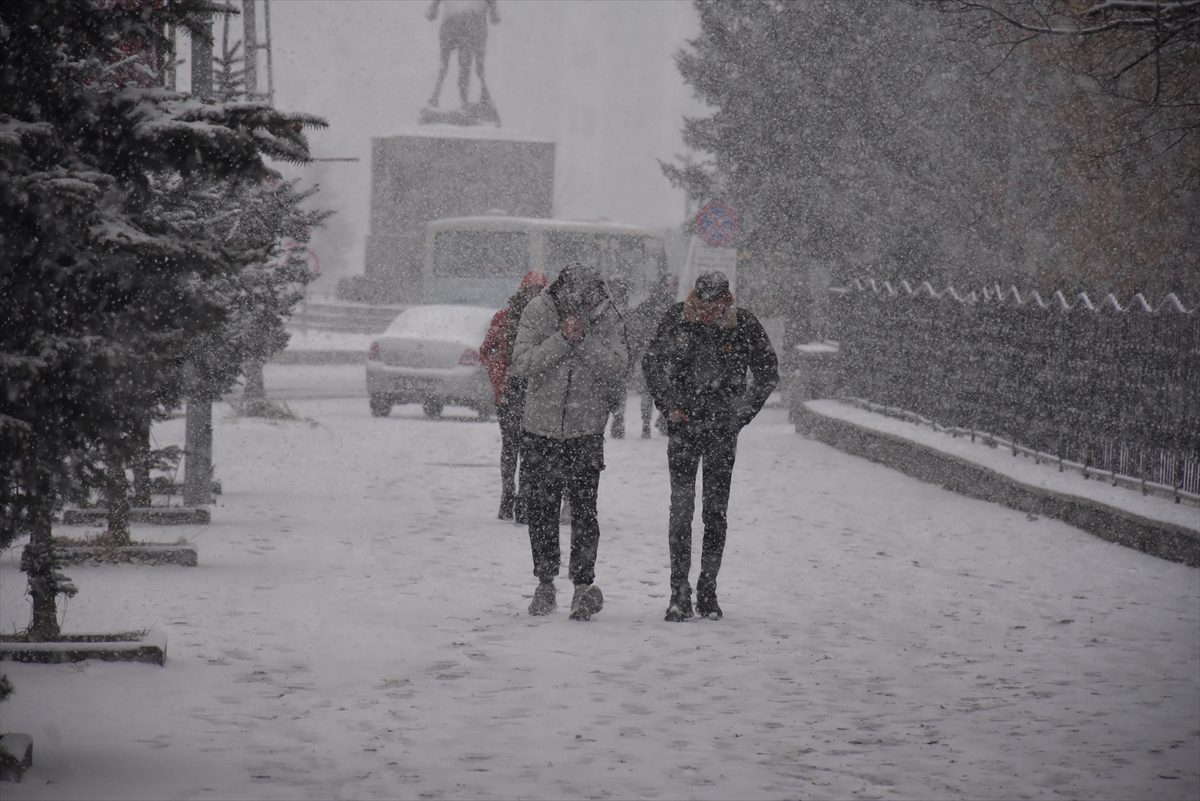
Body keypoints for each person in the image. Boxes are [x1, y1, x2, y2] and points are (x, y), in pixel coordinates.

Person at [642, 271, 779, 622]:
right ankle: (678, 592)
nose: (709, 311)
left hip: (721, 431)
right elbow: (652, 362)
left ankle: (708, 588)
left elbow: (767, 371)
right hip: (684, 427)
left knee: (715, 513)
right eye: (703, 303)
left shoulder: (742, 324)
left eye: (716, 304)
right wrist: (668, 404)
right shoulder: (676, 319)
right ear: (694, 297)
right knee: (681, 511)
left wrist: (740, 415)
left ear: (727, 300)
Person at [510, 262, 629, 620]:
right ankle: (545, 583)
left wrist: (584, 341)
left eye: (584, 303)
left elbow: (617, 365)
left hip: (585, 429)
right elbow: (522, 363)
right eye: (570, 303)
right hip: (540, 429)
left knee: (584, 511)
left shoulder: (607, 315)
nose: (577, 309)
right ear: (559, 295)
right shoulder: (538, 310)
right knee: (541, 510)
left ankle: (582, 585)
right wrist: (562, 339)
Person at [479, 271, 547, 521]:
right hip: (511, 391)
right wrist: (501, 375)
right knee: (511, 447)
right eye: (531, 290)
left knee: (531, 449)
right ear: (522, 292)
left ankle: (524, 500)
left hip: (536, 391)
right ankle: (508, 496)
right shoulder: (505, 319)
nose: (534, 295)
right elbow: (487, 351)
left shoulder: (548, 321)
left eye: (539, 290)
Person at [625, 274, 678, 438]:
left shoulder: (651, 306)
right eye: (670, 286)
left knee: (657, 390)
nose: (672, 290)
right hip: (655, 354)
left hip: (655, 353)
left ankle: (655, 423)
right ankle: (652, 423)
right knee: (654, 390)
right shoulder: (670, 308)